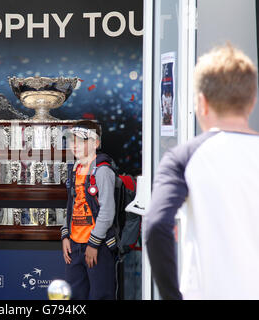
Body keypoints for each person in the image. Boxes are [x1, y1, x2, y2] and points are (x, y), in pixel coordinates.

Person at [145, 44, 259, 300]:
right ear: (251, 103)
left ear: (201, 103)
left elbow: (155, 225)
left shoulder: (184, 157)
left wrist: (170, 295)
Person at [60, 120, 117, 300]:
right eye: (72, 140)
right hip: (75, 245)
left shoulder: (102, 172)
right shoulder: (75, 169)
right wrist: (65, 235)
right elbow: (71, 205)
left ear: (96, 143)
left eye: (81, 140)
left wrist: (93, 244)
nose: (74, 145)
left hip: (97, 246)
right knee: (74, 296)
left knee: (101, 295)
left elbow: (107, 212)